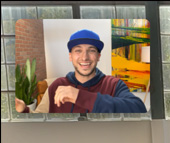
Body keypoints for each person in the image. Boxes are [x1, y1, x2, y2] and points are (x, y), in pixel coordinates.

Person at [16, 29, 146, 114]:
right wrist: (23, 110)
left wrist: (79, 96)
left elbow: (139, 109)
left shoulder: (113, 84)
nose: (84, 57)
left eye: (91, 50)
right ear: (70, 56)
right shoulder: (56, 86)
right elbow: (39, 118)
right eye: (78, 50)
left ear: (98, 56)